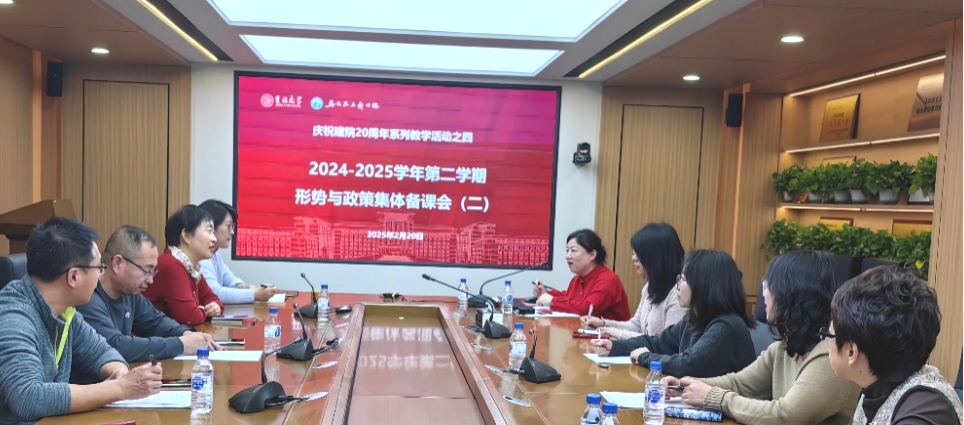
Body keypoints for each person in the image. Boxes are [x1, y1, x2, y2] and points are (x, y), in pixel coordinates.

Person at [665, 251, 862, 425]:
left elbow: (785, 416)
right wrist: (684, 385)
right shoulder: (786, 345)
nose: (764, 292)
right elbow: (740, 384)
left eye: (769, 285)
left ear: (792, 294)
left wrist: (716, 398)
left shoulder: (830, 355)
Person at [0, 218, 163, 424]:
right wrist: (120, 388)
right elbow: (28, 398)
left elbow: (101, 351)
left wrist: (120, 373)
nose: (100, 275)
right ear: (74, 277)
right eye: (99, 268)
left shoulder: (66, 312)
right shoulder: (14, 316)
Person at [74, 226, 221, 379]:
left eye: (153, 271)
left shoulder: (130, 294)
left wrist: (186, 334)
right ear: (117, 263)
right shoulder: (88, 297)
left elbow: (156, 322)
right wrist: (181, 344)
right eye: (147, 270)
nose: (151, 280)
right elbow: (115, 345)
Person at [589, 250, 756, 378]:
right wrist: (615, 347)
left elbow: (688, 364)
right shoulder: (695, 318)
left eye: (683, 279)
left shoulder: (726, 326)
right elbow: (656, 342)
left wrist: (645, 357)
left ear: (704, 285)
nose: (678, 286)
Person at [828, 266, 962, 424]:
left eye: (828, 335)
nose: (826, 342)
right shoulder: (875, 389)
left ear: (851, 352)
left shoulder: (925, 411)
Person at [580, 223, 686, 339]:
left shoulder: (679, 293)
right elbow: (636, 325)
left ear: (656, 256)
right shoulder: (650, 286)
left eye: (638, 254)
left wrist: (616, 333)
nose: (633, 258)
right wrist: (604, 324)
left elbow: (667, 343)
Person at [143, 205, 224, 326]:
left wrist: (215, 307)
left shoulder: (191, 267)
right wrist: (206, 311)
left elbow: (211, 298)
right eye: (209, 231)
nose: (214, 239)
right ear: (186, 235)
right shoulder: (172, 266)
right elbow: (190, 317)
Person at [532, 229, 631, 321]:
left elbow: (588, 309)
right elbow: (571, 299)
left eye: (573, 250)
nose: (568, 256)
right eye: (567, 250)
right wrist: (547, 293)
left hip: (608, 333)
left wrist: (552, 301)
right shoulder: (577, 278)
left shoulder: (608, 280)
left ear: (592, 255)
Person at [198, 200, 277, 304]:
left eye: (233, 227)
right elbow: (215, 293)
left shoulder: (215, 253)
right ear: (211, 226)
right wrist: (254, 294)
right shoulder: (200, 256)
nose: (232, 232)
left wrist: (246, 287)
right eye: (228, 226)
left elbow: (230, 279)